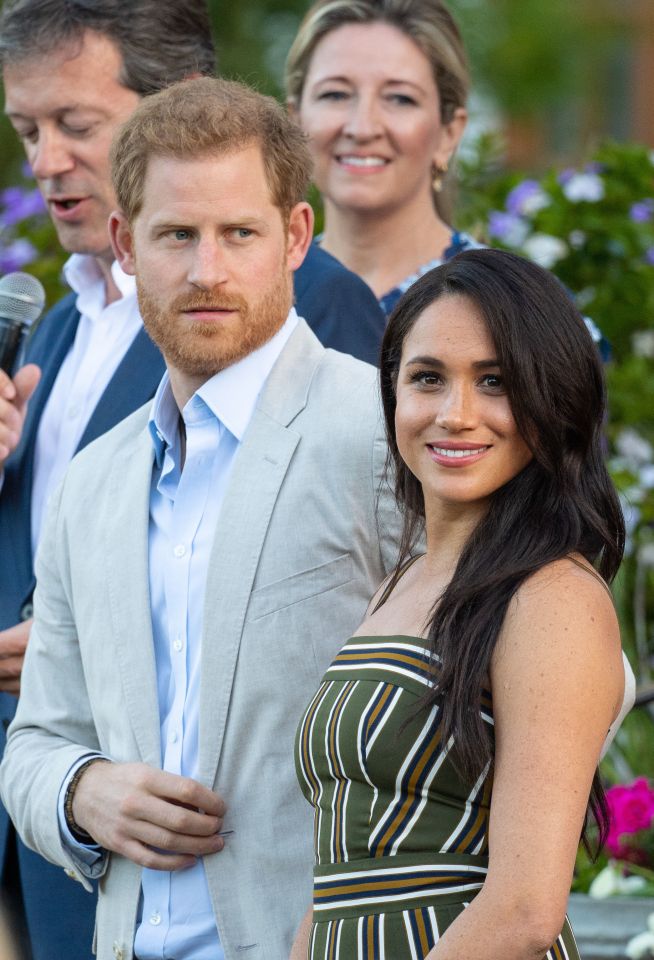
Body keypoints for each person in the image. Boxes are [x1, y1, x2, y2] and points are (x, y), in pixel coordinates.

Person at [0, 1, 386, 955]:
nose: (209, 269)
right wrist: (84, 792)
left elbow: (521, 678)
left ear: (295, 237)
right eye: (176, 237)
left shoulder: (387, 430)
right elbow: (40, 740)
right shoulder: (95, 474)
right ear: (130, 248)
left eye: (239, 235)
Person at [291, 248, 628, 959]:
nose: (456, 414)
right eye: (428, 379)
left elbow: (525, 910)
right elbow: (334, 878)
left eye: (495, 382)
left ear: (550, 398)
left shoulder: (552, 597)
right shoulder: (402, 582)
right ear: (393, 395)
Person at [285, 0, 477, 321]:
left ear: (448, 133)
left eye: (400, 98)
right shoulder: (247, 296)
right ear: (296, 121)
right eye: (335, 94)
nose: (362, 128)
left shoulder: (517, 307)